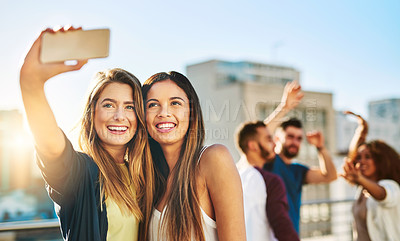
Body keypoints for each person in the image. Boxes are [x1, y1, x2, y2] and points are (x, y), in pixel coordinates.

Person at [20, 27, 154, 241]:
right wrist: (31, 83)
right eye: (109, 105)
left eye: (129, 106)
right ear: (92, 115)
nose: (120, 116)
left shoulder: (143, 174)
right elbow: (51, 147)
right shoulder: (82, 172)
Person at [142, 71, 246, 241]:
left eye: (175, 103)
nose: (164, 113)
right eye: (153, 105)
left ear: (191, 113)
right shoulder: (147, 178)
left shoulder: (213, 159)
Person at [263, 81, 337, 233]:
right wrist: (284, 108)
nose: (295, 142)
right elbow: (260, 136)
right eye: (290, 136)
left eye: (299, 138)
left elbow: (330, 176)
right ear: (277, 138)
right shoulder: (269, 161)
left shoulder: (298, 171)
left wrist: (320, 147)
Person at [341, 111, 400, 241]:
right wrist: (361, 132)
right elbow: (352, 157)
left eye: (368, 157)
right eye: (359, 157)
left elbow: (382, 195)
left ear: (381, 161)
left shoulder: (391, 186)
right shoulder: (362, 189)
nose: (361, 161)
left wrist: (360, 178)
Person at [236, 121, 299, 241]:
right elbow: (282, 226)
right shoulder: (270, 181)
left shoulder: (233, 177)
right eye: (268, 139)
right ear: (253, 145)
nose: (274, 144)